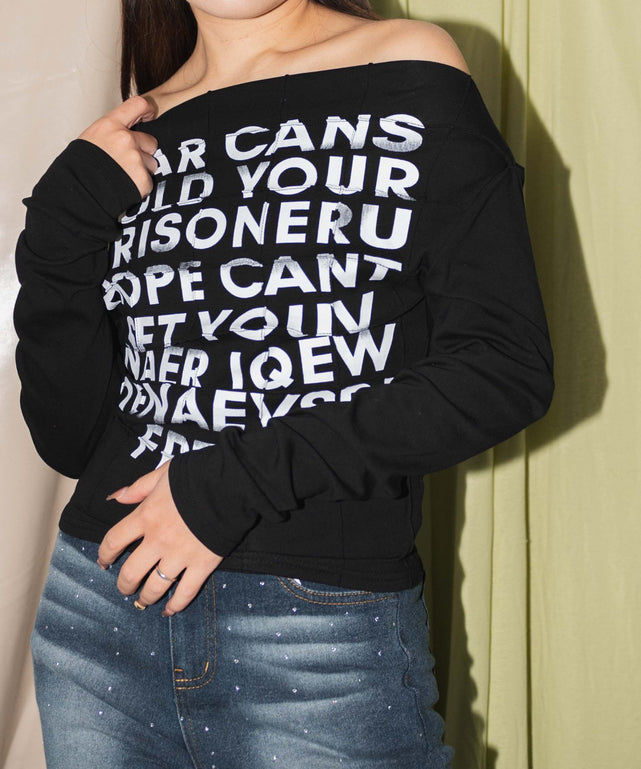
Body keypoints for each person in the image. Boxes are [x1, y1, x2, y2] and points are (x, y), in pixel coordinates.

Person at [14, 1, 554, 767]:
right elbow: (72, 438)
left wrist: (227, 485)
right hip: (97, 619)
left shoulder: (405, 63)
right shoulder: (138, 128)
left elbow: (502, 366)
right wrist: (58, 235)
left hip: (312, 637)